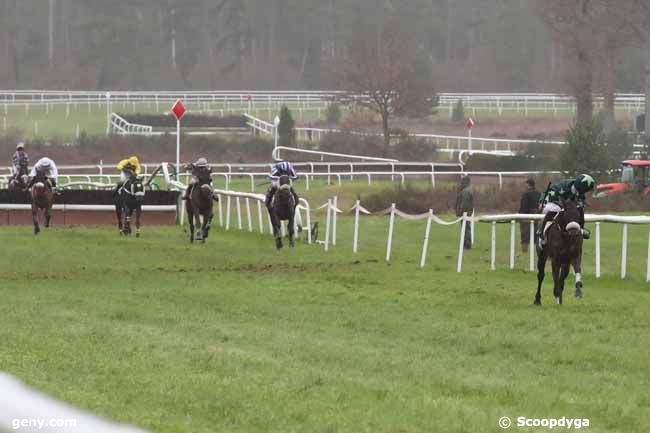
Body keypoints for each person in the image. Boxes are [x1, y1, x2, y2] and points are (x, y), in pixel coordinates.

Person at [538, 173, 596, 248]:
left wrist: (583, 205)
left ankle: (581, 229)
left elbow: (581, 202)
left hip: (564, 206)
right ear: (582, 187)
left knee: (579, 209)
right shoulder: (563, 186)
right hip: (551, 203)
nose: (586, 192)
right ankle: (542, 235)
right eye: (586, 190)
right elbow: (547, 192)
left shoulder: (579, 191)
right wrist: (541, 202)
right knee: (559, 209)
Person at [519, 177, 541, 253]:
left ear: (528, 185)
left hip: (526, 217)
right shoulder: (539, 194)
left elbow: (523, 206)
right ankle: (536, 251)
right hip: (537, 217)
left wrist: (520, 216)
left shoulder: (526, 194)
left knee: (525, 236)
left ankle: (524, 252)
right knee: (537, 235)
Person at [455, 175, 474, 249]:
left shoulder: (466, 191)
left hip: (465, 213)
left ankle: (467, 245)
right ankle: (466, 244)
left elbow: (464, 204)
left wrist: (460, 211)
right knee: (466, 228)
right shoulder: (467, 189)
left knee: (466, 229)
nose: (460, 183)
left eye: (462, 181)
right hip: (466, 212)